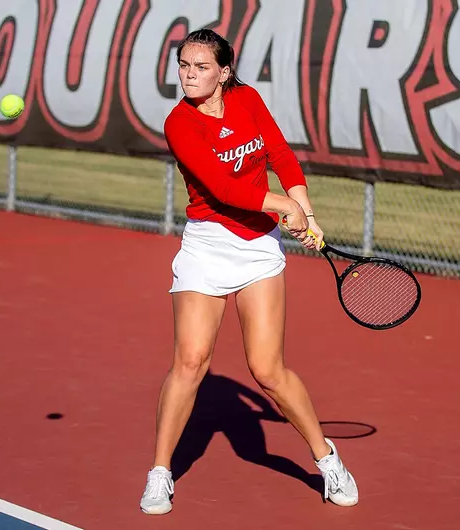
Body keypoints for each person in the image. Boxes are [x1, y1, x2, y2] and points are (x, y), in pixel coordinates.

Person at [139, 28, 358, 515]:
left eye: (200, 68)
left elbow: (279, 154)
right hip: (207, 245)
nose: (189, 75)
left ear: (224, 72)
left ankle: (327, 460)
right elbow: (220, 187)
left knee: (267, 371)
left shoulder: (248, 100)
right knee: (191, 361)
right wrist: (282, 205)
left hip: (258, 249)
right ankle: (159, 473)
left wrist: (305, 209)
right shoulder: (180, 123)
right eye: (183, 66)